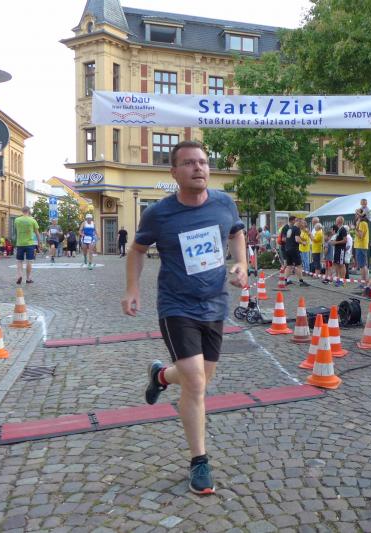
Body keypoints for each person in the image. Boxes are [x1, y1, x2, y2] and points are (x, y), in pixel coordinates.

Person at [122, 140, 247, 495]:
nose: (199, 168)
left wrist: (242, 263)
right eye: (190, 163)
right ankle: (199, 461)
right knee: (195, 383)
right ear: (174, 172)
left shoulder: (224, 203)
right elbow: (137, 250)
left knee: (201, 378)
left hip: (215, 303)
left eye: (203, 162)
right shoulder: (159, 214)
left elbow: (236, 233)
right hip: (176, 306)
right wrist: (132, 289)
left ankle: (160, 375)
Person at [14, 206, 43, 285]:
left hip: (20, 243)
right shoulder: (33, 220)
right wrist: (39, 242)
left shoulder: (17, 220)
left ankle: (19, 276)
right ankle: (28, 278)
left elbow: (17, 230)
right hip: (30, 244)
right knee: (29, 261)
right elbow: (37, 233)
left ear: (22, 211)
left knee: (19, 261)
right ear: (29, 211)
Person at [281, 215, 307, 287]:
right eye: (302, 223)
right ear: (299, 222)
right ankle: (301, 282)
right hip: (294, 249)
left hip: (287, 249)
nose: (303, 225)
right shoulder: (297, 229)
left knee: (289, 266)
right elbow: (297, 239)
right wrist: (303, 242)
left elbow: (290, 238)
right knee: (299, 265)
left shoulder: (290, 229)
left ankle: (285, 281)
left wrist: (301, 238)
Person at [330, 216, 348, 286]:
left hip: (341, 249)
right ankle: (339, 279)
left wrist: (336, 242)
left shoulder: (343, 229)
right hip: (337, 249)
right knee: (337, 264)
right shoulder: (339, 230)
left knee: (341, 264)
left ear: (339, 221)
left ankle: (342, 280)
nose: (335, 221)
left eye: (336, 220)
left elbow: (345, 240)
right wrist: (334, 242)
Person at [353, 211, 370, 282]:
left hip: (361, 246)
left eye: (356, 214)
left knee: (362, 265)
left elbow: (360, 236)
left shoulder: (362, 223)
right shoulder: (361, 223)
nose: (355, 215)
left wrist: (354, 229)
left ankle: (364, 282)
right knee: (362, 265)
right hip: (360, 246)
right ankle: (364, 281)